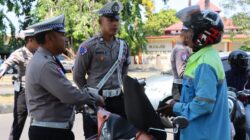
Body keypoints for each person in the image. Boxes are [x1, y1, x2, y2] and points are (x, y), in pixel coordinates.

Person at [25, 14, 104, 140]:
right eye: (62, 35)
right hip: (50, 134)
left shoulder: (44, 59)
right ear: (49, 38)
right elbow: (69, 95)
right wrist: (93, 98)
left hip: (51, 131)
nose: (65, 39)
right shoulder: (44, 64)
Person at [157, 5, 230, 140]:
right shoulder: (204, 56)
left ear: (201, 35)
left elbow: (203, 104)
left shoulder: (204, 63)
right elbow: (195, 95)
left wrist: (175, 107)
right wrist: (175, 104)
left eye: (189, 30)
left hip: (204, 134)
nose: (185, 35)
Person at [73, 1, 130, 139]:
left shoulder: (123, 46)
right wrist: (90, 96)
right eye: (110, 20)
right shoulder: (88, 46)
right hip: (96, 102)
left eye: (117, 20)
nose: (114, 24)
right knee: (95, 137)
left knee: (121, 136)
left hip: (118, 101)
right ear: (100, 21)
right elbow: (78, 76)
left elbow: (124, 72)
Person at [0, 29, 38, 140]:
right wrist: (1, 72)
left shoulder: (40, 52)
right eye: (37, 40)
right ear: (30, 40)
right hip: (23, 92)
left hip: (38, 93)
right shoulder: (19, 53)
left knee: (37, 123)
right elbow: (6, 64)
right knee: (18, 122)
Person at [226, 50, 250, 140]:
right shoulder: (226, 75)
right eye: (242, 61)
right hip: (229, 105)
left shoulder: (249, 74)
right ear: (234, 62)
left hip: (245, 105)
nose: (245, 63)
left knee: (248, 123)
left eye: (246, 61)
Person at [170, 26, 190, 101]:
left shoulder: (179, 47)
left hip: (179, 85)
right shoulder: (181, 50)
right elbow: (181, 73)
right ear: (185, 35)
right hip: (180, 86)